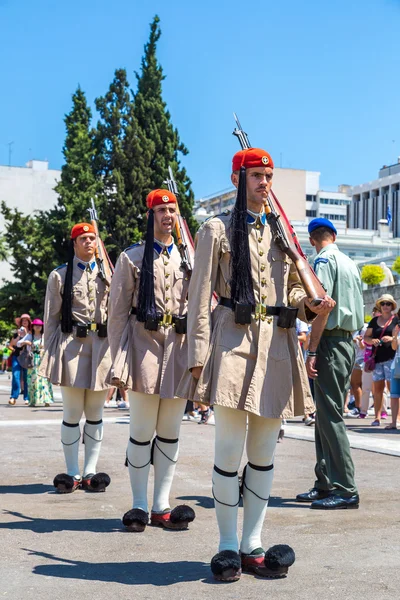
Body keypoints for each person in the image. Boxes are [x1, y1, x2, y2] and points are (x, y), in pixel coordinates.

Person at [178, 148, 334, 581]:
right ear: (237, 179)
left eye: (269, 176)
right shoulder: (216, 229)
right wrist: (196, 359)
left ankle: (252, 544)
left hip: (277, 347)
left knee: (263, 454)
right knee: (228, 451)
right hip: (232, 342)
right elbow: (199, 299)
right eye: (257, 176)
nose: (265, 183)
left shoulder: (280, 231)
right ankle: (227, 544)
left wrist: (312, 305)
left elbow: (289, 298)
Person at [108, 188, 195, 533]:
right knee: (142, 431)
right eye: (160, 210)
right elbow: (116, 315)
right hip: (143, 345)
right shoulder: (132, 258)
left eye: (172, 210)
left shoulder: (189, 257)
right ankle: (139, 505)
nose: (166, 216)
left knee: (170, 433)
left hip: (177, 348)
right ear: (151, 216)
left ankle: (161, 504)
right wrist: (118, 362)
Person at [296, 218, 364, 510]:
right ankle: (325, 483)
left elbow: (322, 308)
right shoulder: (350, 263)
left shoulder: (321, 262)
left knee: (331, 414)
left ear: (312, 240)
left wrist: (312, 351)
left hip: (330, 340)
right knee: (325, 413)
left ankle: (345, 488)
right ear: (333, 235)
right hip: (345, 340)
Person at [39, 223, 111, 493]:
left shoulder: (108, 275)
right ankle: (72, 472)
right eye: (83, 238)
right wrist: (49, 356)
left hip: (101, 347)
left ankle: (91, 471)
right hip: (71, 347)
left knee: (95, 413)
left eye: (93, 238)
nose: (89, 242)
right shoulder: (60, 276)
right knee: (71, 413)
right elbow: (51, 319)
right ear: (74, 243)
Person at [363, 294, 398, 426]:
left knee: (393, 389)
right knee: (377, 390)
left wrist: (392, 339)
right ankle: (377, 417)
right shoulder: (374, 321)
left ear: (392, 306)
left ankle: (397, 418)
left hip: (392, 359)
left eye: (388, 304)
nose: (385, 306)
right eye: (383, 303)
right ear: (379, 306)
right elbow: (366, 338)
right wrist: (372, 341)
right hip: (377, 359)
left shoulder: (396, 320)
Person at [17, 318, 54, 407]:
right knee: (32, 380)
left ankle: (47, 400)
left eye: (40, 326)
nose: (38, 327)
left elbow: (50, 345)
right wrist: (25, 342)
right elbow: (18, 343)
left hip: (43, 360)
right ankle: (32, 400)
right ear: (32, 327)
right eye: (36, 325)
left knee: (44, 379)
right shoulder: (30, 336)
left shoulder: (44, 336)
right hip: (32, 361)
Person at [8, 314, 31, 405]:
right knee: (15, 375)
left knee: (26, 377)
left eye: (26, 320)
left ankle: (27, 397)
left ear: (29, 322)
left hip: (27, 357)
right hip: (16, 356)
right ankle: (13, 397)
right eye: (23, 320)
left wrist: (25, 334)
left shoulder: (31, 333)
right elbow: (11, 345)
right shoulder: (16, 333)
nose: (24, 322)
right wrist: (18, 336)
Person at [386, 321, 400, 429]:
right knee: (394, 395)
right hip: (396, 366)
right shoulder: (398, 331)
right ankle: (394, 422)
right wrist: (394, 335)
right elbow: (394, 347)